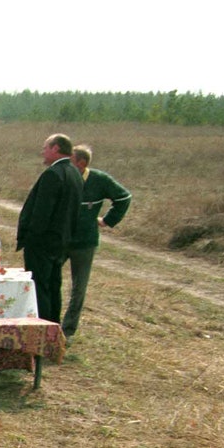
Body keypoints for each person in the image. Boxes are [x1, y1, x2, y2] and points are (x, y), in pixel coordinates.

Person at [63, 144, 132, 338]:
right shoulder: (62, 178)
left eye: (70, 161)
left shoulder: (99, 180)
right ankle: (45, 323)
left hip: (85, 243)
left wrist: (108, 220)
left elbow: (124, 197)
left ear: (82, 163)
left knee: (79, 288)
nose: (66, 165)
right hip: (60, 240)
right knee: (47, 281)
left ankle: (67, 331)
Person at [16, 133, 83, 322]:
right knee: (54, 287)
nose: (42, 152)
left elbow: (42, 213)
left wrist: (31, 238)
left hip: (43, 243)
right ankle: (54, 325)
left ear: (56, 148)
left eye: (45, 148)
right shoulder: (74, 173)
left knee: (40, 288)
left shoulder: (53, 174)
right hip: (61, 242)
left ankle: (43, 328)